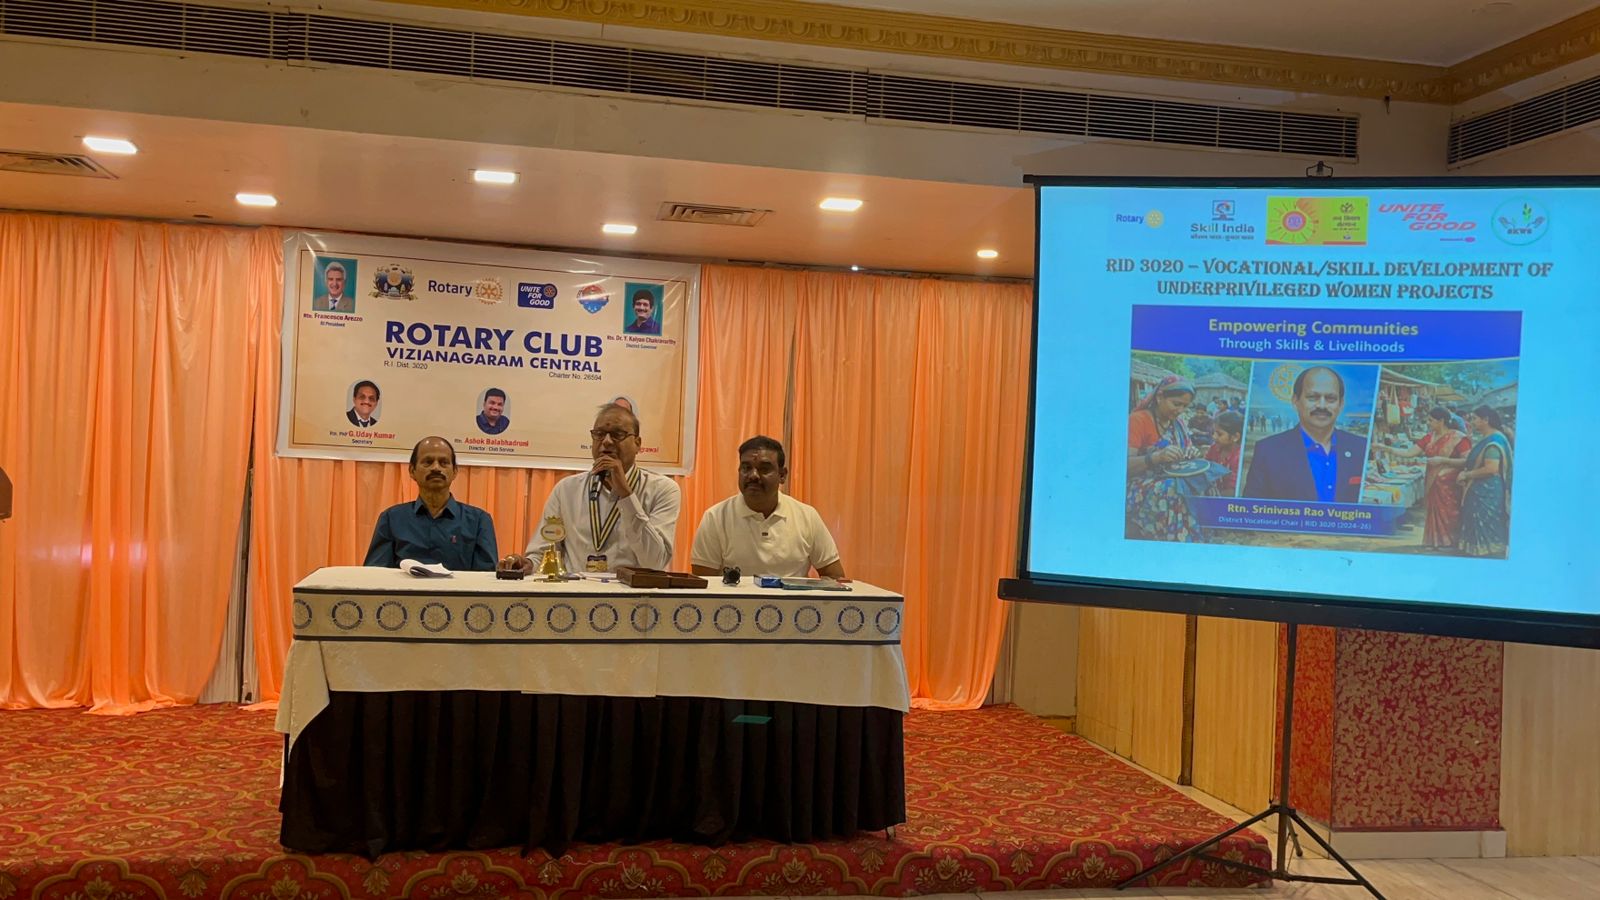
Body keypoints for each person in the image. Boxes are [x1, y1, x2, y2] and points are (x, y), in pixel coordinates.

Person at [517, 403, 680, 573]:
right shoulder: (566, 490)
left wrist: (626, 495)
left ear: (637, 444)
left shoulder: (663, 489)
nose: (607, 441)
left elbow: (655, 562)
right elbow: (543, 553)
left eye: (617, 434)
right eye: (599, 434)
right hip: (578, 588)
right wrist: (527, 564)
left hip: (631, 589)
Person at [690, 435, 844, 579]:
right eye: (746, 468)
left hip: (793, 600)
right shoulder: (715, 518)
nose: (753, 475)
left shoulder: (807, 516)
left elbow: (836, 578)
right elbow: (704, 586)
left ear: (782, 475)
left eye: (764, 469)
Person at [364, 436, 497, 571]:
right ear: (412, 471)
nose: (436, 468)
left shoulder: (478, 521)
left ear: (455, 471)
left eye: (444, 462)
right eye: (428, 462)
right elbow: (375, 574)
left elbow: (485, 578)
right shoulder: (391, 519)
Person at [1242, 367, 1369, 503]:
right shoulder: (1268, 451)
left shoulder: (1361, 448)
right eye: (1312, 397)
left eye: (1330, 399)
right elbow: (1250, 511)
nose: (1322, 405)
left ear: (1341, 404)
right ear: (1295, 401)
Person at [1126, 375, 1225, 542]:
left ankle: (1204, 535)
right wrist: (1156, 457)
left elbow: (1186, 451)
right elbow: (1123, 466)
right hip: (1141, 482)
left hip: (1171, 475)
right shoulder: (1138, 420)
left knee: (1206, 478)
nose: (1180, 410)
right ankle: (1178, 539)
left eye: (1185, 406)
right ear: (1159, 397)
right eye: (1176, 404)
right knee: (1174, 488)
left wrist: (1191, 453)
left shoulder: (1178, 424)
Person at [1377, 407, 1471, 549]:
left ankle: (1451, 543)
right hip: (1433, 482)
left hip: (1451, 486)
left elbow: (1467, 461)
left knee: (1450, 513)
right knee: (1434, 512)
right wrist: (1386, 448)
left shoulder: (1458, 438)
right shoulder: (1429, 437)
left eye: (1431, 420)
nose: (1428, 423)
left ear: (1441, 421)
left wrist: (1443, 460)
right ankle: (1435, 542)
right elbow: (1410, 453)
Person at [1457, 406, 1513, 558]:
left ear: (1486, 420)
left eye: (1474, 419)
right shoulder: (1489, 438)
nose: (1472, 422)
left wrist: (1467, 475)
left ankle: (1487, 557)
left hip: (1487, 493)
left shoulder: (1494, 441)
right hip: (1482, 490)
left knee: (1487, 527)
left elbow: (1491, 468)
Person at [1205, 410, 1244, 495]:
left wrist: (1213, 497)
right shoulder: (1214, 448)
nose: (1214, 437)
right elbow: (1205, 468)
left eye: (1219, 434)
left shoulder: (1239, 458)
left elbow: (1232, 491)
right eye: (1214, 432)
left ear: (1235, 437)